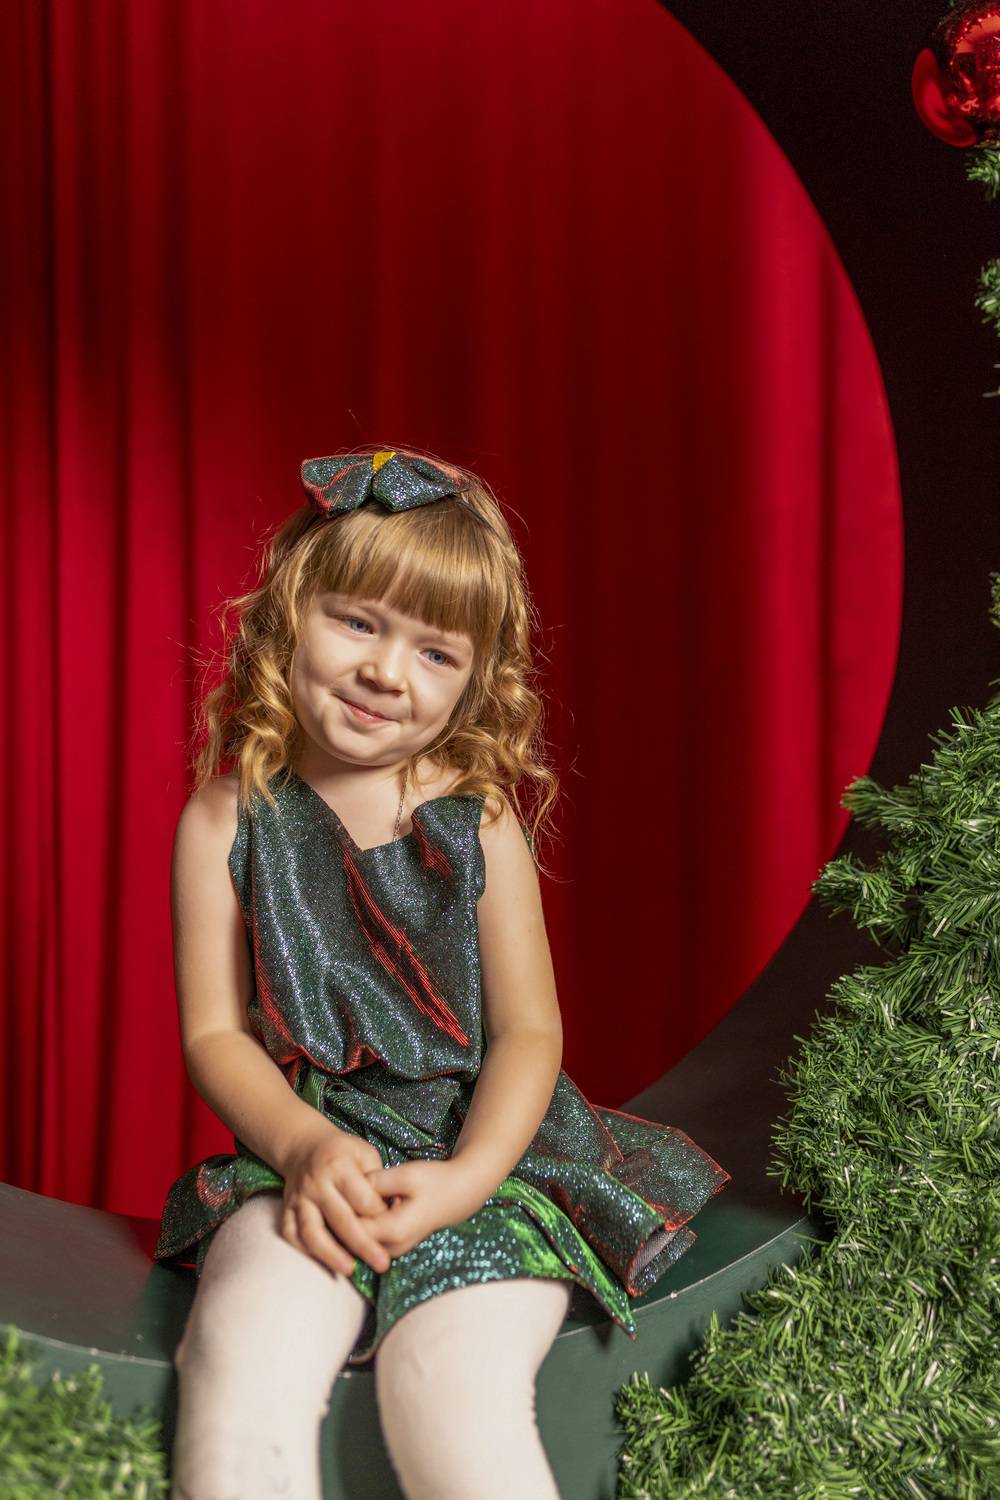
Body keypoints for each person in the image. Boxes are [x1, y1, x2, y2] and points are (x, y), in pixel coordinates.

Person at [154, 445, 732, 1500]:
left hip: (489, 1166)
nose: (388, 672)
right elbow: (214, 1035)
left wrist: (466, 1180)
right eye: (357, 622)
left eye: (435, 651)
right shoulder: (225, 817)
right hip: (311, 1155)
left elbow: (529, 1035)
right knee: (241, 1365)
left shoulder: (477, 820)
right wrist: (305, 1146)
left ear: (476, 679)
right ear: (289, 613)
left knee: (451, 1387)